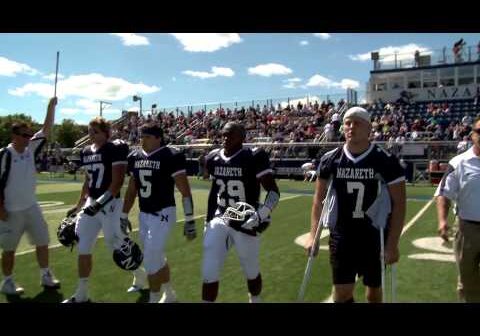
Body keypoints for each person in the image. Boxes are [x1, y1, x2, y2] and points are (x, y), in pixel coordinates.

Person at [305, 107, 406, 303]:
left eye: (357, 123)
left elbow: (399, 203)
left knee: (374, 293)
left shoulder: (385, 160)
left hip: (373, 235)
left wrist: (392, 244)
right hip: (342, 235)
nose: (351, 127)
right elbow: (319, 199)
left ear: (369, 129)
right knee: (341, 294)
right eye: (348, 123)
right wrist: (312, 235)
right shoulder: (330, 159)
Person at [62, 117, 145, 303]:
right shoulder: (85, 151)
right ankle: (81, 293)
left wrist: (98, 204)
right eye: (90, 131)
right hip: (91, 203)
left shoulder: (113, 149)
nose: (91, 135)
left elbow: (117, 183)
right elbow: (87, 181)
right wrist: (79, 205)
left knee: (114, 244)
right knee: (83, 246)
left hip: (110, 204)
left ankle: (139, 273)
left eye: (96, 131)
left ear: (106, 133)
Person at [202, 122, 280, 303]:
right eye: (223, 134)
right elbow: (214, 192)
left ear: (242, 137)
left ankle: (255, 299)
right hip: (220, 217)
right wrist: (207, 221)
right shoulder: (214, 157)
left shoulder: (253, 156)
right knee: (209, 269)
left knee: (251, 269)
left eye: (231, 134)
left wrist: (262, 214)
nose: (225, 138)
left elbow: (273, 191)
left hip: (245, 220)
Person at [122, 123, 196, 303]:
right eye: (141, 136)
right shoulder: (135, 157)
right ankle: (170, 293)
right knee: (157, 258)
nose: (142, 140)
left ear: (158, 138)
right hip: (144, 214)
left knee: (150, 260)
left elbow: (184, 189)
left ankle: (154, 299)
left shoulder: (170, 155)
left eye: (147, 136)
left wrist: (189, 219)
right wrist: (123, 215)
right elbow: (132, 190)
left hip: (163, 212)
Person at [0, 97, 61, 295]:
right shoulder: (5, 155)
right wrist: (0, 209)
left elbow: (46, 128)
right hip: (10, 211)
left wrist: (50, 107)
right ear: (14, 135)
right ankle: (7, 281)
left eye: (29, 135)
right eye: (24, 135)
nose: (28, 138)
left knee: (43, 241)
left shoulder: (30, 149)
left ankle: (45, 275)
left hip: (31, 207)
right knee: (9, 249)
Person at [435, 117, 480, 302]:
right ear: (472, 135)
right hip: (467, 229)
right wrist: (442, 220)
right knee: (467, 282)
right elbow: (444, 193)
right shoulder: (459, 162)